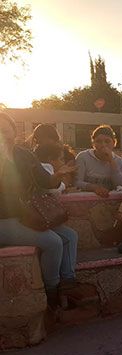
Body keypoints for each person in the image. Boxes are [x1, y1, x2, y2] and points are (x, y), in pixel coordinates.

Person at [0, 112, 79, 307]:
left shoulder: (24, 154)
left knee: (69, 236)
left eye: (4, 129)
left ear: (13, 129)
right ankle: (51, 292)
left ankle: (67, 283)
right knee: (53, 242)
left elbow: (46, 181)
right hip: (5, 220)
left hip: (27, 215)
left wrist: (59, 174)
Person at [75, 125, 122, 197]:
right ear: (93, 144)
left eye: (107, 141)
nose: (103, 145)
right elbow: (76, 182)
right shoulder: (83, 157)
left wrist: (111, 161)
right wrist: (94, 188)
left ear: (114, 143)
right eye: (98, 141)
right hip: (86, 201)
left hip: (111, 202)